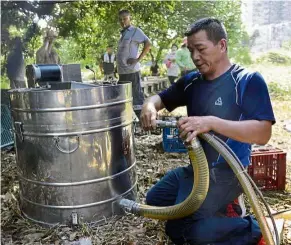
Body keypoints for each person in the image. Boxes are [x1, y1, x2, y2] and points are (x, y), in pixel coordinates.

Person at [140, 18, 275, 245]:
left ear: (221, 45)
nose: (194, 57)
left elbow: (263, 133)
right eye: (191, 50)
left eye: (200, 49)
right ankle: (216, 209)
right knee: (155, 200)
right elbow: (159, 98)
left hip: (228, 173)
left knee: (183, 230)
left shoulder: (246, 80)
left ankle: (253, 227)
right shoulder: (192, 82)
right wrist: (149, 106)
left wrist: (212, 122)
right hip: (197, 170)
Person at [117, 9, 151, 119]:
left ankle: (143, 124)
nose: (123, 22)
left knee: (137, 98)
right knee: (124, 99)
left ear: (130, 18)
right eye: (120, 20)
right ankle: (132, 123)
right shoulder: (122, 34)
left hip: (132, 71)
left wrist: (137, 59)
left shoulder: (135, 31)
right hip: (122, 72)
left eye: (125, 19)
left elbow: (148, 43)